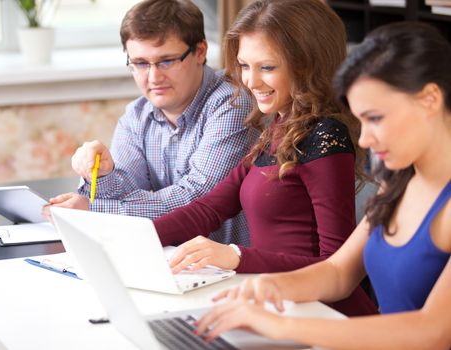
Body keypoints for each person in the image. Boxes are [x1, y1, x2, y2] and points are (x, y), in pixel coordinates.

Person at [195, 22, 451, 349]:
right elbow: (339, 273)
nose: (365, 139)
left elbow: (434, 331)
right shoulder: (398, 182)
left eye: (376, 118)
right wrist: (272, 287)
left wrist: (281, 326)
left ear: (429, 99)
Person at [153, 0, 376, 316]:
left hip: (322, 312)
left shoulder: (326, 136)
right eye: (245, 65)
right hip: (278, 301)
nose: (250, 81)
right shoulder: (281, 126)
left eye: (267, 67)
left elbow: (334, 264)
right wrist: (133, 240)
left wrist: (236, 256)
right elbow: (208, 210)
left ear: (307, 64)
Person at [44, 0, 257, 245]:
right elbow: (126, 196)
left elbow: (196, 198)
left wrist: (94, 209)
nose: (154, 77)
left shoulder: (233, 103)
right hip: (167, 259)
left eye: (166, 61)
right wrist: (103, 175)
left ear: (200, 51)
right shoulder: (136, 116)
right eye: (141, 64)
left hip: (232, 269)